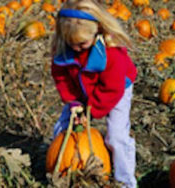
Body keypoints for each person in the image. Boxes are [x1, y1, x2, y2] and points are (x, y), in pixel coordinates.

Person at [50, 0, 138, 187]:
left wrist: (90, 113)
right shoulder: (63, 50)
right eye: (70, 43)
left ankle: (126, 181)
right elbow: (62, 78)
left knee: (116, 136)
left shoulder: (112, 54)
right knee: (61, 129)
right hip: (81, 89)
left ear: (97, 30)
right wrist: (73, 102)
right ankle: (59, 168)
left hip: (117, 89)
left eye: (82, 44)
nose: (76, 49)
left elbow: (111, 89)